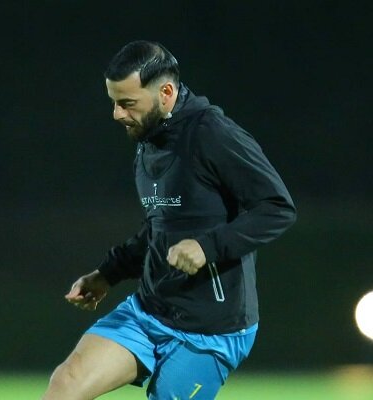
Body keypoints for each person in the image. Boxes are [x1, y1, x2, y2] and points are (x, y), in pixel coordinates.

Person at [42, 40, 296, 400]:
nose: (117, 113)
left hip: (211, 330)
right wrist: (109, 273)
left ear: (165, 93)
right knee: (65, 385)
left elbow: (277, 207)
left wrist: (208, 247)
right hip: (149, 311)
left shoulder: (212, 133)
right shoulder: (150, 140)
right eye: (114, 102)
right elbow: (160, 226)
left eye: (127, 103)